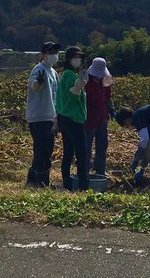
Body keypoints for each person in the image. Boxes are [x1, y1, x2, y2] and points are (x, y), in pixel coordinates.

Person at [25, 41, 60, 187]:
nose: (54, 55)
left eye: (55, 52)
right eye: (50, 52)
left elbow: (57, 95)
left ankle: (33, 179)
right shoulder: (38, 69)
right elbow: (34, 86)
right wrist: (38, 83)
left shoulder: (53, 72)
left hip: (50, 116)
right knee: (41, 149)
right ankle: (42, 181)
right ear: (44, 55)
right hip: (39, 116)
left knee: (47, 149)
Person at [55, 46, 89, 191]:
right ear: (68, 59)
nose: (78, 60)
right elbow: (72, 93)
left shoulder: (69, 74)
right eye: (75, 57)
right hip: (72, 118)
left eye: (80, 57)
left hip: (66, 117)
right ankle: (83, 185)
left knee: (68, 151)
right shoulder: (69, 75)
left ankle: (67, 183)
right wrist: (79, 85)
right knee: (81, 153)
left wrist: (80, 83)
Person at [84, 57, 116, 176]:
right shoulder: (86, 82)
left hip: (102, 117)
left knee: (102, 145)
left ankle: (100, 170)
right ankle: (85, 170)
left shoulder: (106, 80)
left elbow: (108, 96)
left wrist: (112, 109)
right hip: (89, 118)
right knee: (87, 146)